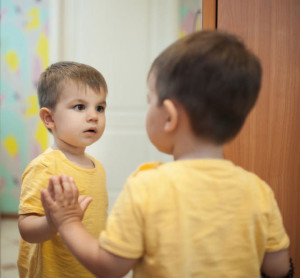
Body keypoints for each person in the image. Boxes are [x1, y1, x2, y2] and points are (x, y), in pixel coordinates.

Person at [41, 31, 292, 278]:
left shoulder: (146, 186)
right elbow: (278, 268)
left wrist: (68, 222)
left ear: (169, 116)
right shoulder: (258, 190)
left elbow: (109, 267)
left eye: (150, 100)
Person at [18, 61, 109, 278]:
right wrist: (53, 222)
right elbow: (26, 227)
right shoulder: (45, 167)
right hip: (55, 271)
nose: (93, 116)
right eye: (80, 107)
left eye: (100, 107)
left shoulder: (98, 168)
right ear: (49, 118)